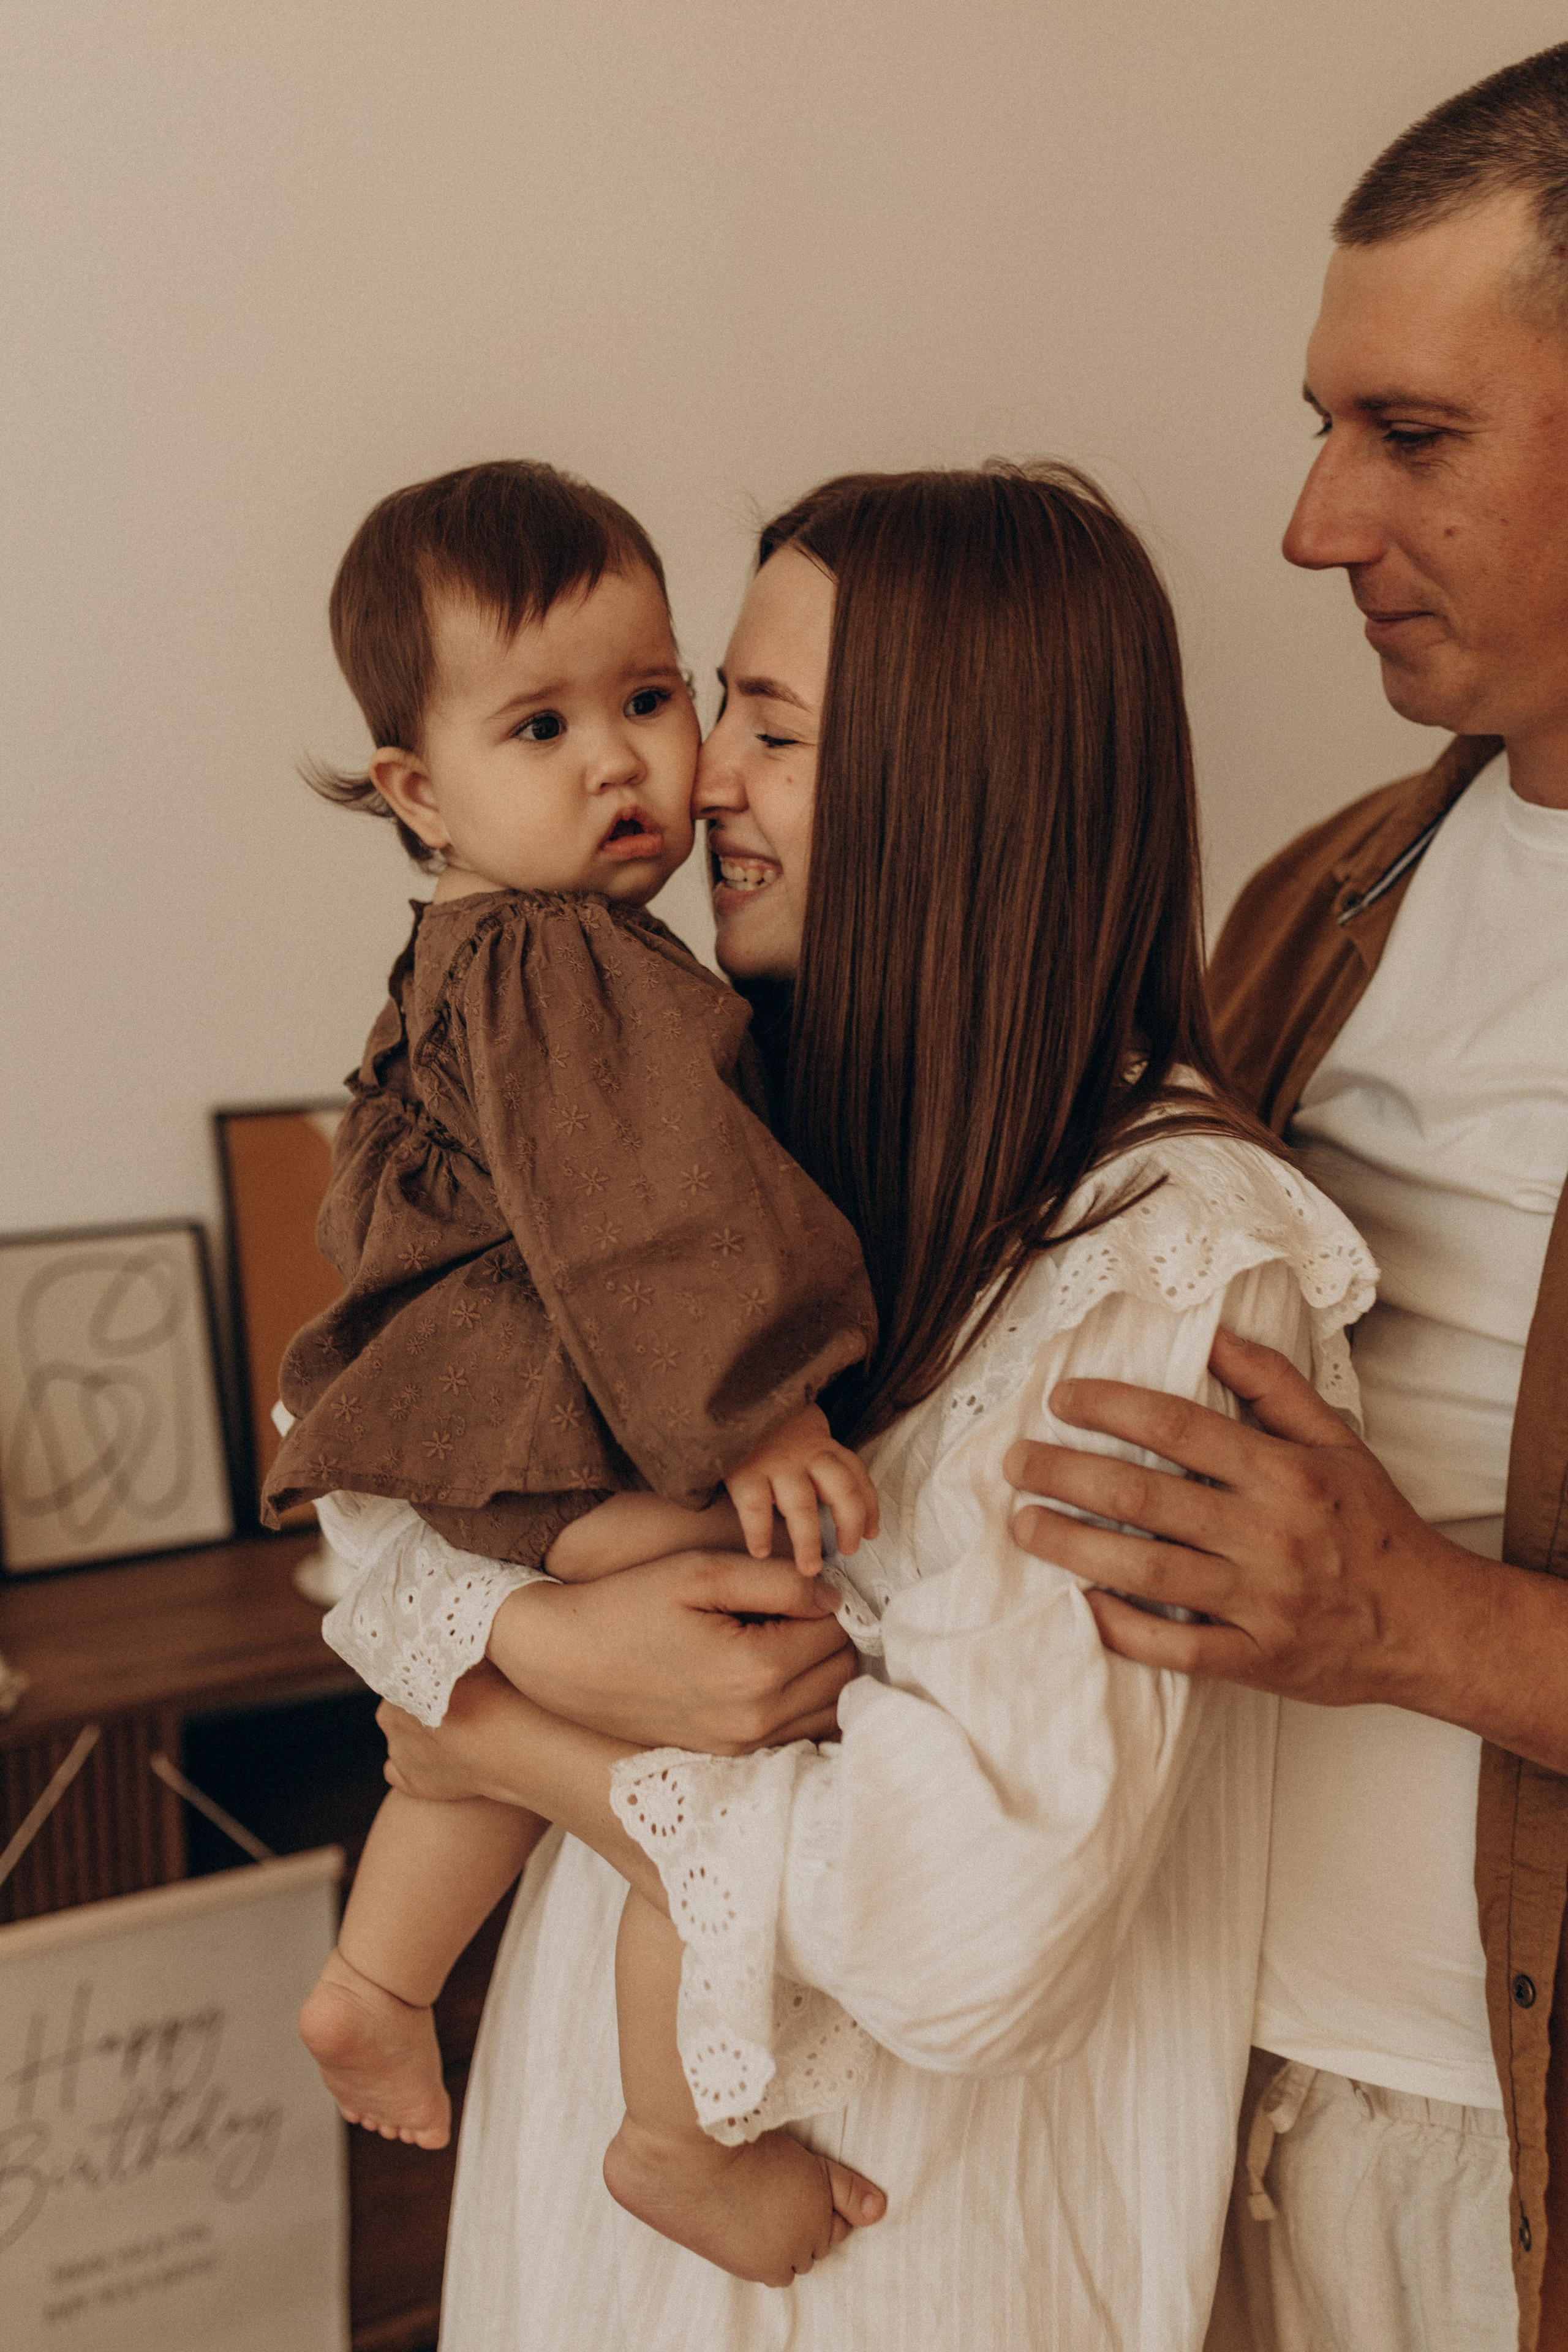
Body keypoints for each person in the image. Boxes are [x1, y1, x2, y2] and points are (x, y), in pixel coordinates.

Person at [350, 461, 1376, 2350]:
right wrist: (540, 1628)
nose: (695, 780)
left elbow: (962, 1929)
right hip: (587, 2207)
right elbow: (374, 1517)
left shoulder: (1161, 1265)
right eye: (711, 703)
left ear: (956, 789)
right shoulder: (712, 1141)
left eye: (766, 725)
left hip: (908, 2259)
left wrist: (520, 1734)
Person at [1002, 45, 1568, 2352]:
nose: (1316, 526)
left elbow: (1378, 1598)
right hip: (1207, 2117)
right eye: (1325, 425)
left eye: (1412, 438)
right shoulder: (1320, 895)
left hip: (1509, 2164)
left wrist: (1424, 1627)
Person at [263, 458, 889, 2284]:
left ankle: (378, 1981)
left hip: (466, 1438)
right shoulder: (566, 966)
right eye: (542, 725)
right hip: (548, 1418)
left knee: (484, 1741)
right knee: (720, 1718)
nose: (624, 763)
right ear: (418, 788)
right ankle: (679, 2134)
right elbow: (649, 1214)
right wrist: (760, 1399)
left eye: (650, 695)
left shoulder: (474, 947)